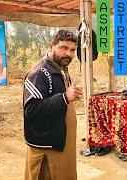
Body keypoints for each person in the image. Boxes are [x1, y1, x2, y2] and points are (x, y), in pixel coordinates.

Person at [23, 30, 82, 180]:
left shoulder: (60, 68)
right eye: (63, 48)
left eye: (72, 50)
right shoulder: (39, 73)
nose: (68, 53)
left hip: (60, 143)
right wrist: (64, 97)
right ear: (51, 46)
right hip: (47, 149)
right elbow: (32, 109)